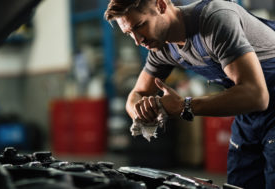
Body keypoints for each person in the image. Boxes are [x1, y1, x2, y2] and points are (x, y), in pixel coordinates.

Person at [104, 0, 275, 188]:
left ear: (161, 5)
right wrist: (142, 112)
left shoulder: (214, 19)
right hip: (249, 115)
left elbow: (257, 96)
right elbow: (136, 94)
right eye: (129, 33)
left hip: (259, 101)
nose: (138, 41)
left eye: (140, 26)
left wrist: (183, 106)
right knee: (239, 183)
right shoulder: (161, 47)